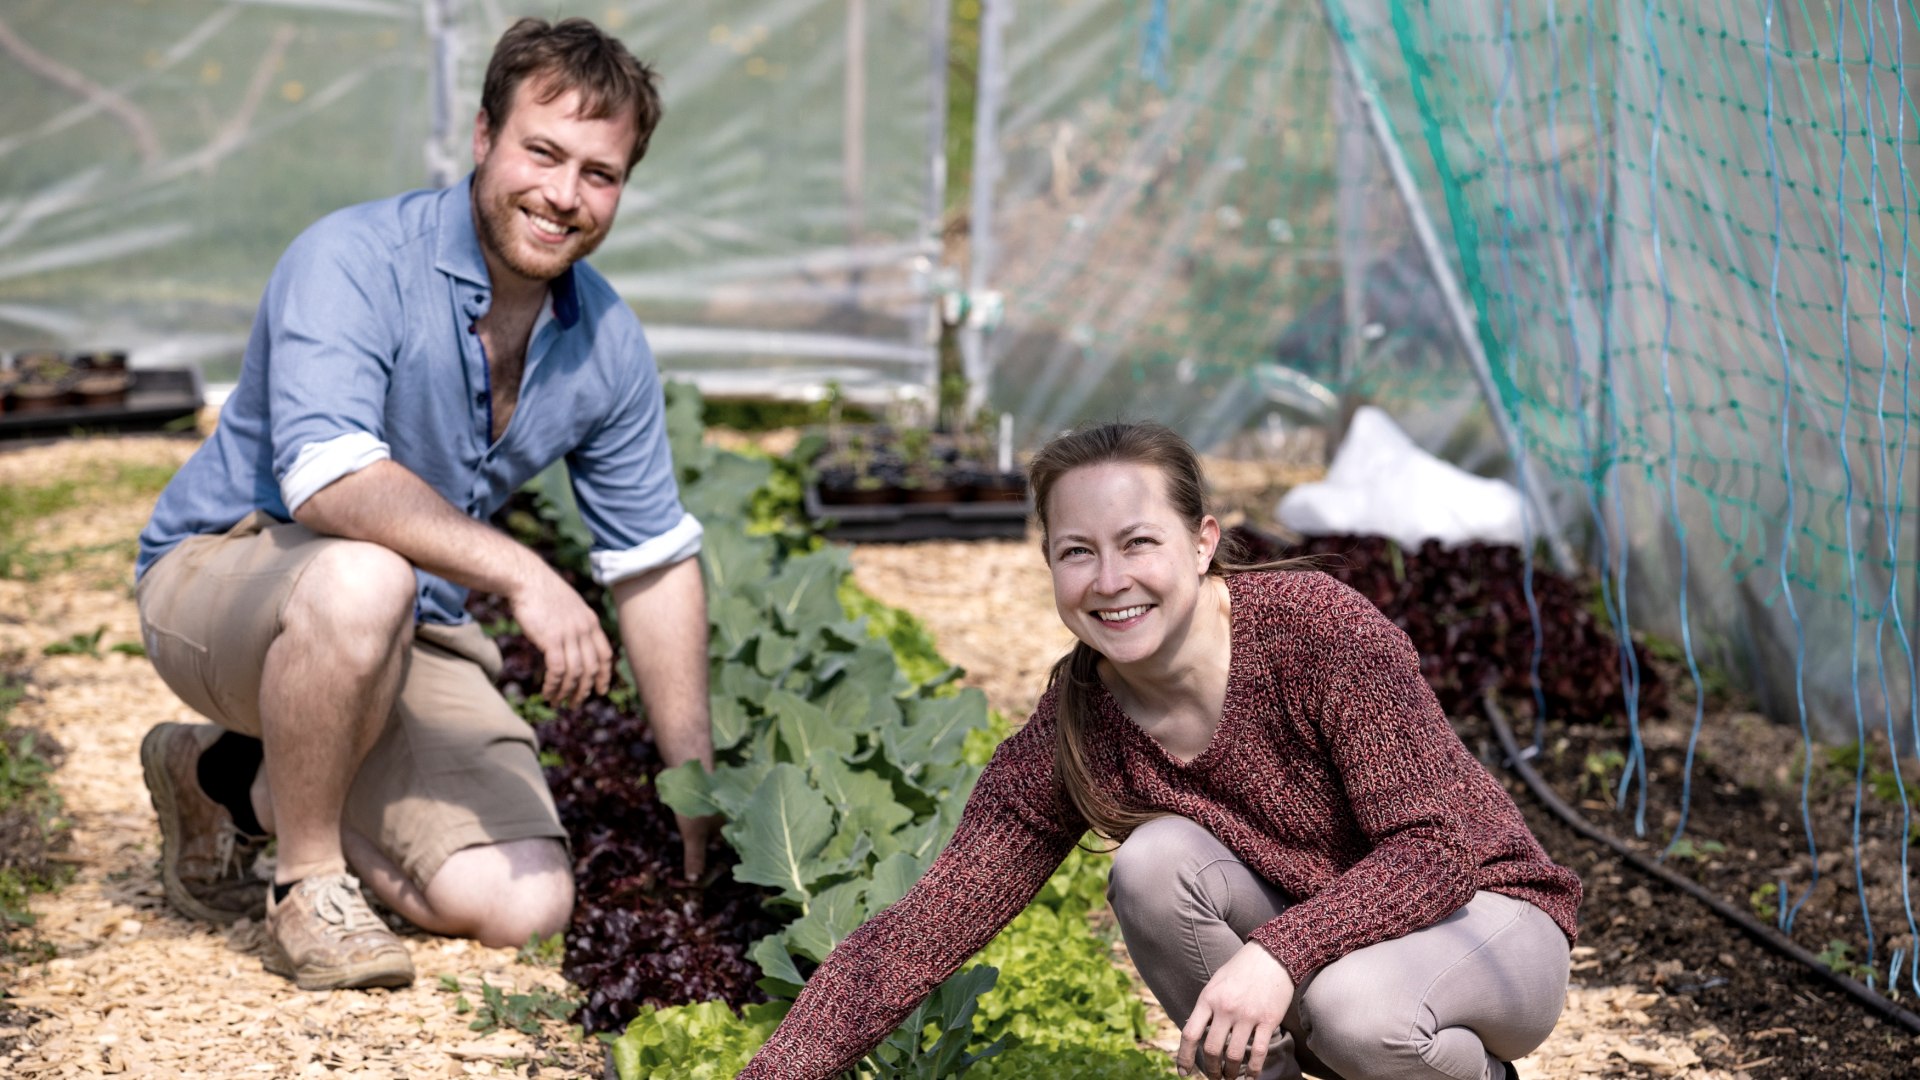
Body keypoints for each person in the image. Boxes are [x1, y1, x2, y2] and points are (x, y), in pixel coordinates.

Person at [133, 17, 715, 992]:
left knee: (522, 902)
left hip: (410, 629)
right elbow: (327, 477)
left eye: (600, 174)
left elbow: (653, 562)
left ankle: (225, 780)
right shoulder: (353, 258)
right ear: (484, 137)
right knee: (366, 575)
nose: (564, 196)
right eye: (543, 152)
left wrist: (697, 788)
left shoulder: (604, 342)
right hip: (228, 577)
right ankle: (305, 886)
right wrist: (523, 572)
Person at [739, 421, 1581, 1080]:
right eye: (1078, 552)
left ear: (1203, 540)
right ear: (1049, 565)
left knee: (1357, 1012)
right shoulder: (1082, 724)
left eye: (1138, 541)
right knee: (1151, 864)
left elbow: (1438, 852)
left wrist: (1276, 955)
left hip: (1486, 916)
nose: (1110, 580)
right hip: (1333, 941)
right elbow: (922, 929)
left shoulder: (1312, 629)